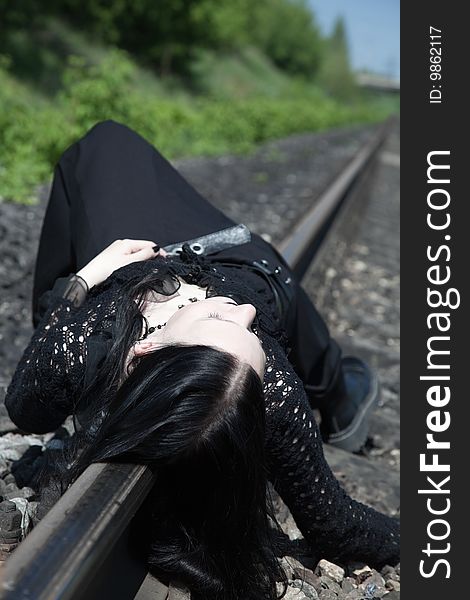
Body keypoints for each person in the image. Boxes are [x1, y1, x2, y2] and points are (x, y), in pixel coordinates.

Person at [5, 120, 399, 600]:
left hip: (137, 253)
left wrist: (81, 282)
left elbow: (25, 408)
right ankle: (339, 395)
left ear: (148, 349)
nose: (244, 313)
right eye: (247, 331)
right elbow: (335, 522)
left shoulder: (94, 340)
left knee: (102, 145)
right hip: (251, 263)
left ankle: (336, 383)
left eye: (217, 318)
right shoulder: (265, 384)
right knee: (297, 319)